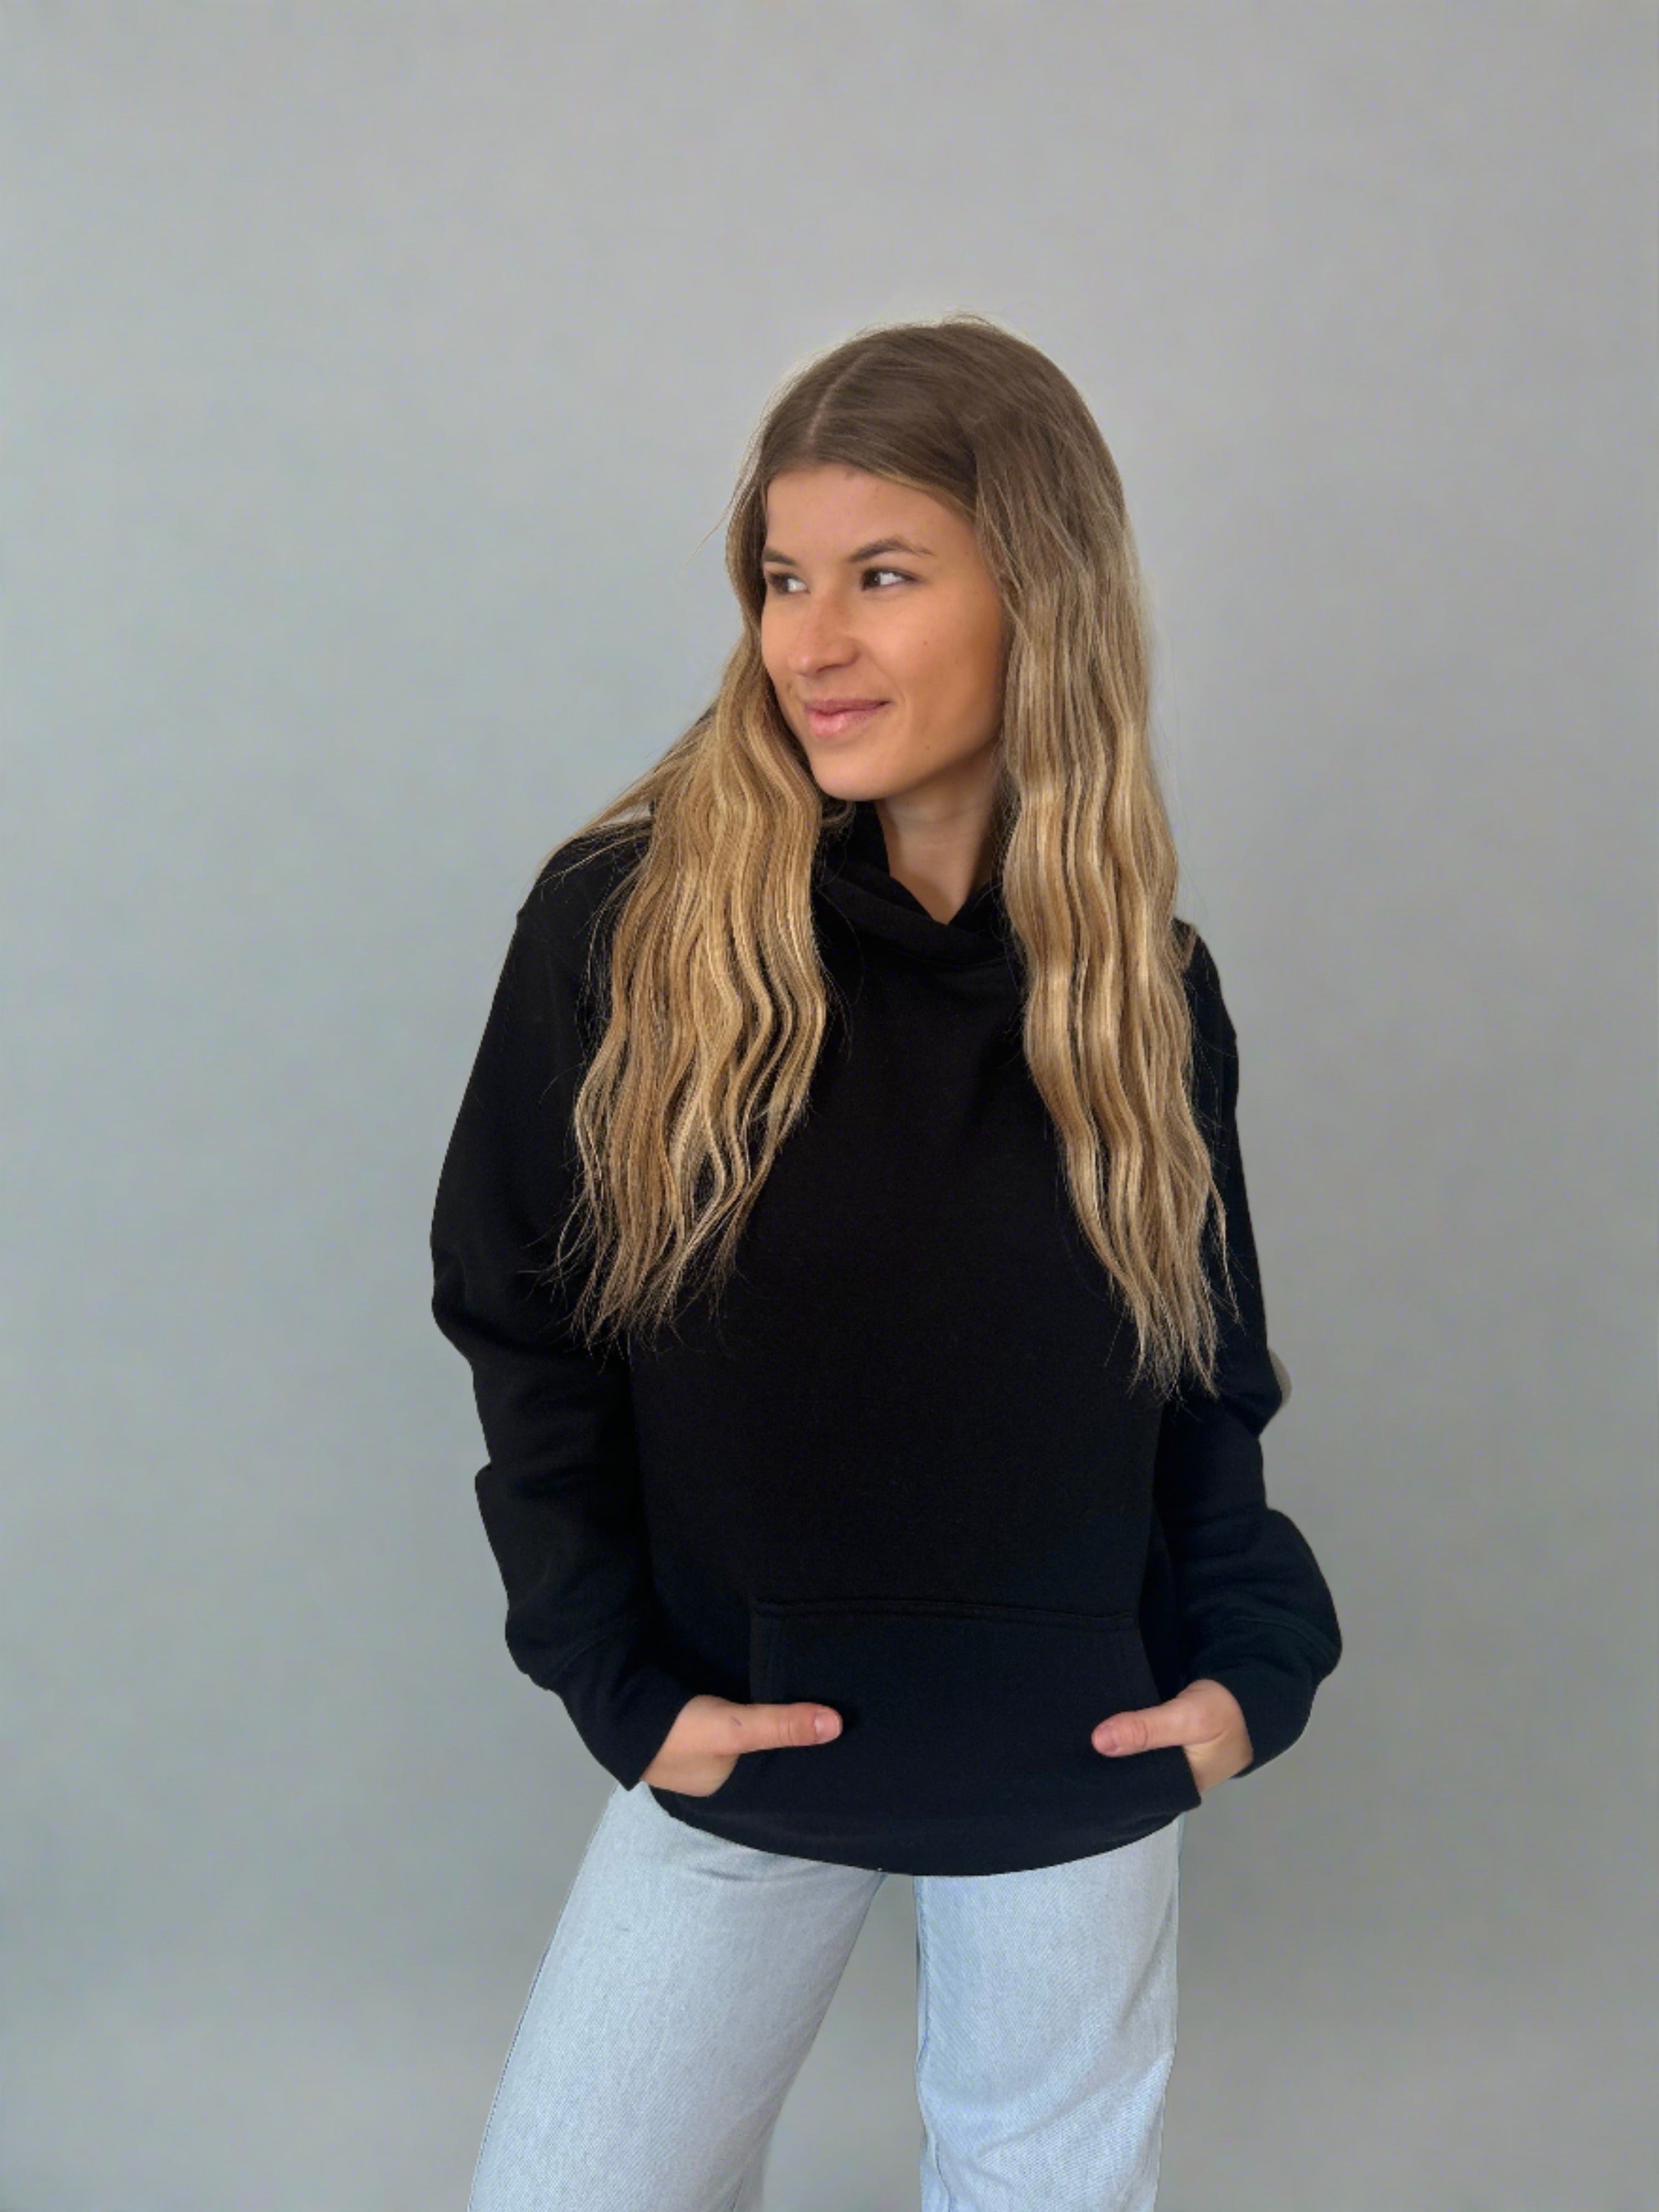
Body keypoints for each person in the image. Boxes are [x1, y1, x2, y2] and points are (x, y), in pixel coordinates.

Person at [430, 311, 1342, 2212]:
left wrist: (1254, 1666)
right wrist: (616, 1679)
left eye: (885, 575)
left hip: (1077, 1745)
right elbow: (524, 1330)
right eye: (783, 579)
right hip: (743, 1729)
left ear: (1039, 598)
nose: (810, 642)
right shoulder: (628, 932)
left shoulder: (1143, 990)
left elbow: (1205, 1382)